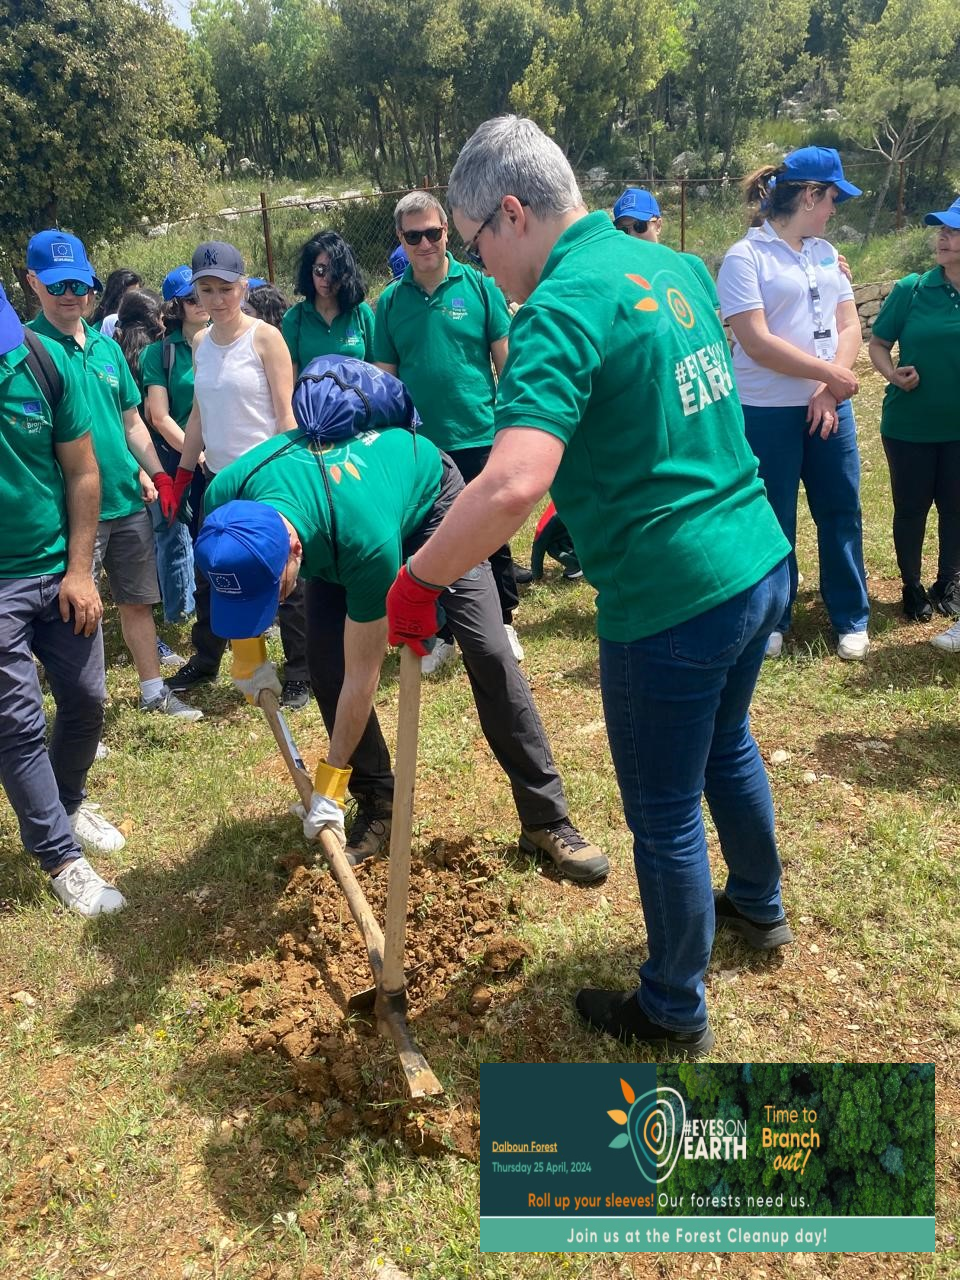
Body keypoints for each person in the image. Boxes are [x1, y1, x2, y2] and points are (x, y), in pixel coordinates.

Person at [384, 115, 794, 1059]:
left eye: (478, 242)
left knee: (661, 811)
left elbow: (514, 482)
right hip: (755, 557)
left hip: (672, 596)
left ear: (512, 213)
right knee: (727, 743)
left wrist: (422, 578)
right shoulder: (671, 265)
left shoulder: (560, 308)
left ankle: (673, 1005)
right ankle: (761, 908)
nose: (482, 266)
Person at [193, 355, 609, 881]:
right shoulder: (226, 495)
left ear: (293, 550)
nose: (272, 609)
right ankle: (381, 805)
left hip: (429, 504)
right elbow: (236, 575)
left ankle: (547, 821)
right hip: (335, 523)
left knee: (487, 650)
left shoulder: (361, 542)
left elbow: (365, 679)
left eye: (274, 591)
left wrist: (328, 784)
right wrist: (248, 655)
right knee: (324, 666)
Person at [25, 230, 202, 730]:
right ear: (32, 281)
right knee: (77, 614)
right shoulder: (29, 351)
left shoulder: (104, 349)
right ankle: (84, 716)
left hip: (125, 498)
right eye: (57, 284)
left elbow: (131, 424)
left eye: (79, 284)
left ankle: (152, 690)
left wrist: (159, 476)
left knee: (137, 599)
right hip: (71, 511)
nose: (69, 295)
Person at [0, 280, 125, 913]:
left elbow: (81, 471)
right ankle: (59, 856)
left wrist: (80, 571)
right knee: (16, 724)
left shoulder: (41, 364)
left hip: (55, 572)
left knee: (86, 700)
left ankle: (67, 805)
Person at [716, 147, 868, 661]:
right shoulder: (746, 256)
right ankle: (775, 618)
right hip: (768, 411)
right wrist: (829, 374)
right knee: (774, 514)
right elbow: (755, 341)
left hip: (830, 407)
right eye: (831, 199)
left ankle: (850, 616)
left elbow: (849, 325)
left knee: (840, 509)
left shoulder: (825, 253)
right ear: (809, 194)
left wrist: (829, 390)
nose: (832, 210)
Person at [373, 190, 524, 670]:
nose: (424, 244)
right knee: (428, 540)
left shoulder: (479, 287)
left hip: (480, 433)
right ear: (401, 239)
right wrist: (391, 442)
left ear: (446, 233)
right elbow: (385, 380)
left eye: (433, 233)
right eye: (413, 236)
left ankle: (503, 621)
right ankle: (438, 632)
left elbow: (507, 361)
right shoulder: (390, 303)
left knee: (491, 533)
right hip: (423, 446)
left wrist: (512, 424)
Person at [167, 241, 310, 709]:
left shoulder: (265, 337)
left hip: (268, 477)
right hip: (220, 480)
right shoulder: (199, 343)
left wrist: (292, 480)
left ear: (243, 286)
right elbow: (198, 417)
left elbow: (286, 413)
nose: (216, 299)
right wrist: (183, 475)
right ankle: (208, 657)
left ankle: (301, 671)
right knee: (215, 573)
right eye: (205, 289)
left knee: (283, 574)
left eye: (225, 288)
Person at [868, 195, 960, 642]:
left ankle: (950, 584)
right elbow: (878, 344)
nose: (943, 237)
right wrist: (893, 375)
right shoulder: (913, 289)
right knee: (911, 510)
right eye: (941, 229)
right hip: (910, 426)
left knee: (956, 509)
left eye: (953, 231)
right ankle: (912, 586)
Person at [115, 287, 195, 654]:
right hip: (160, 460)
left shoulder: (117, 349)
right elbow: (151, 417)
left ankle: (172, 609)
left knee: (162, 537)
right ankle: (181, 611)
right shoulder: (156, 354)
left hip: (142, 463)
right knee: (175, 537)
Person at [281, 231, 375, 375]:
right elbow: (290, 380)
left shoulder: (361, 313)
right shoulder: (294, 319)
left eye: (334, 271)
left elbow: (377, 369)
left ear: (346, 274)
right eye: (320, 270)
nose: (326, 278)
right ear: (309, 270)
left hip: (358, 396)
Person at [613, 187, 720, 309]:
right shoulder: (620, 277)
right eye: (623, 230)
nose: (632, 235)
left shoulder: (690, 265)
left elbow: (717, 317)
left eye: (639, 226)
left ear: (658, 226)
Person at [91, 267, 143, 339]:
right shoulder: (98, 329)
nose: (135, 300)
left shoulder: (142, 327)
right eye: (130, 296)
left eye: (137, 295)